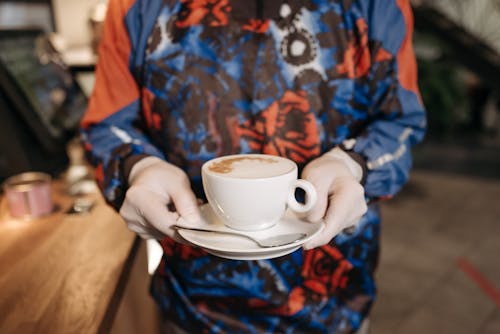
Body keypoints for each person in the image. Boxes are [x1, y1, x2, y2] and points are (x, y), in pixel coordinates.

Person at [80, 0, 426, 332]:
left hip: (335, 304)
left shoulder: (375, 4)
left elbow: (400, 123)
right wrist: (137, 168)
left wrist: (352, 164)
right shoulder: (136, 5)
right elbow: (107, 127)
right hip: (192, 305)